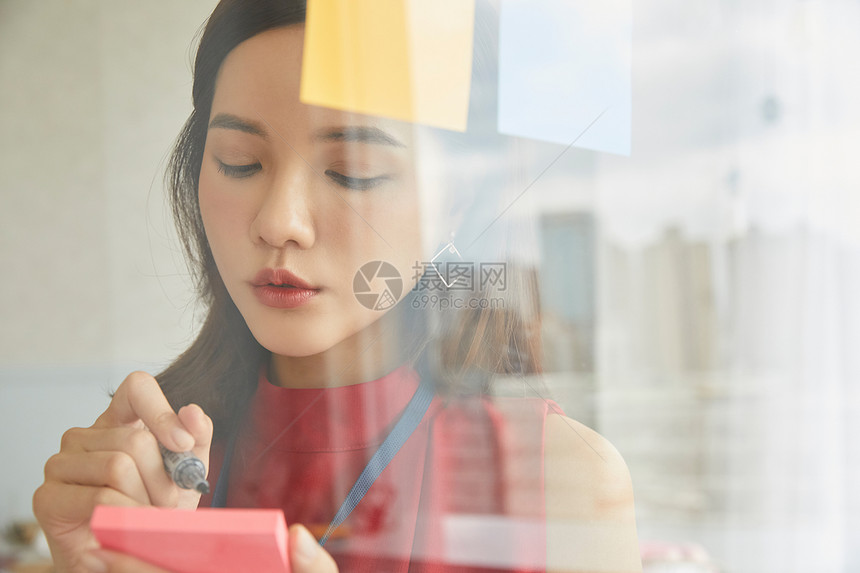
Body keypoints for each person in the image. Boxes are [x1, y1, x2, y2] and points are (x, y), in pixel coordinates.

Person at [32, 1, 642, 572]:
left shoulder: (556, 480)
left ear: (457, 201)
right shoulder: (143, 463)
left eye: (353, 173)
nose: (279, 221)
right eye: (239, 162)